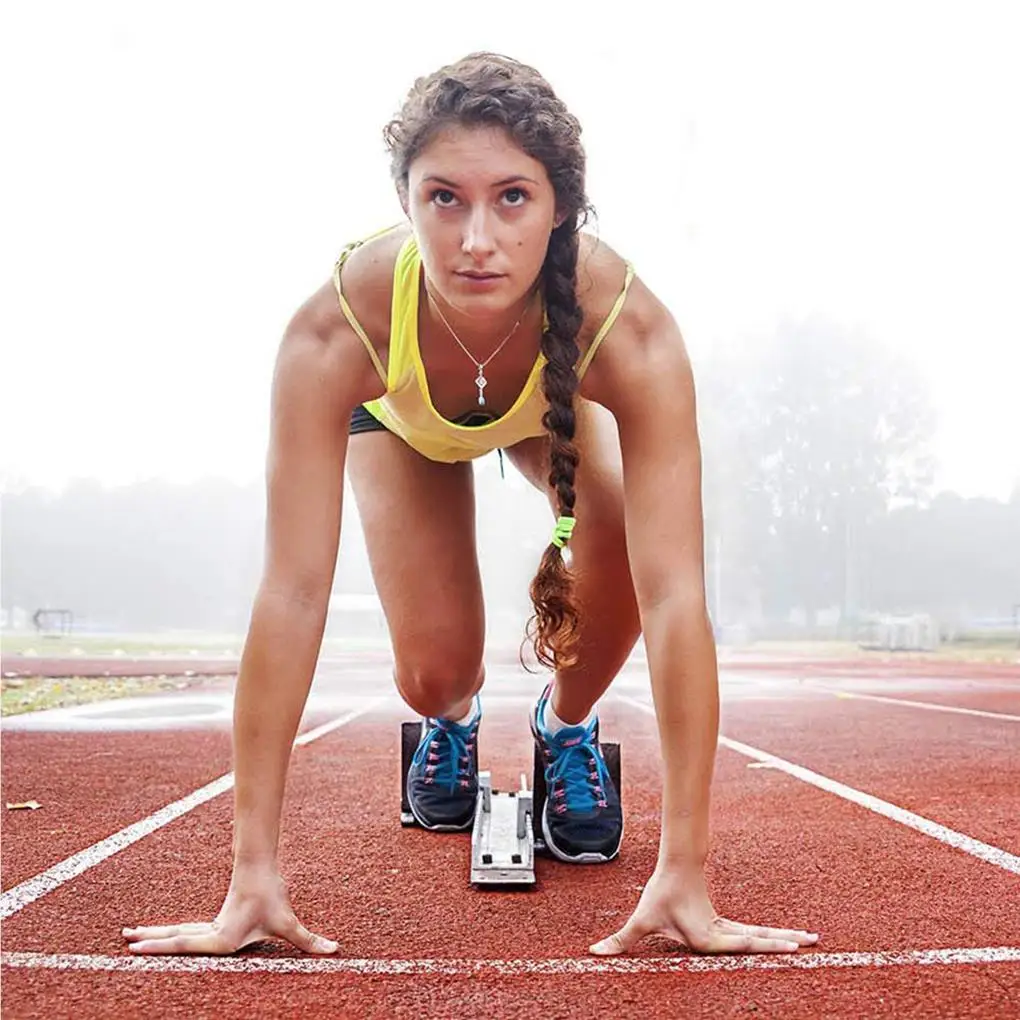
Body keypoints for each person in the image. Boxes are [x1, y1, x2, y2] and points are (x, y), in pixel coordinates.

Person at [122, 52, 819, 957]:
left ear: (560, 205)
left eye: (512, 199)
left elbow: (678, 593)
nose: (476, 240)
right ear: (405, 198)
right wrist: (250, 873)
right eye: (443, 197)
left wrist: (686, 869)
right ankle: (447, 722)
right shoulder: (337, 331)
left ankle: (564, 726)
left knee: (616, 524)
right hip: (402, 422)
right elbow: (291, 593)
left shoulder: (629, 328)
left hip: (548, 400)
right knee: (435, 671)